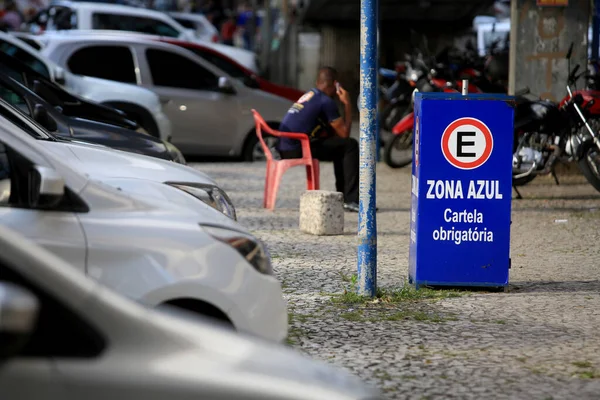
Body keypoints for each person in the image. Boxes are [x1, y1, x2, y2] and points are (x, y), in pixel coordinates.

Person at [277, 66, 363, 212]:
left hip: (285, 146)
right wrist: (348, 104)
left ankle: (345, 197)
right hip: (297, 148)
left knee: (340, 147)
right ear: (336, 84)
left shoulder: (311, 94)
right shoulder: (326, 101)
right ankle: (351, 199)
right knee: (350, 145)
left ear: (318, 82)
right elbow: (344, 134)